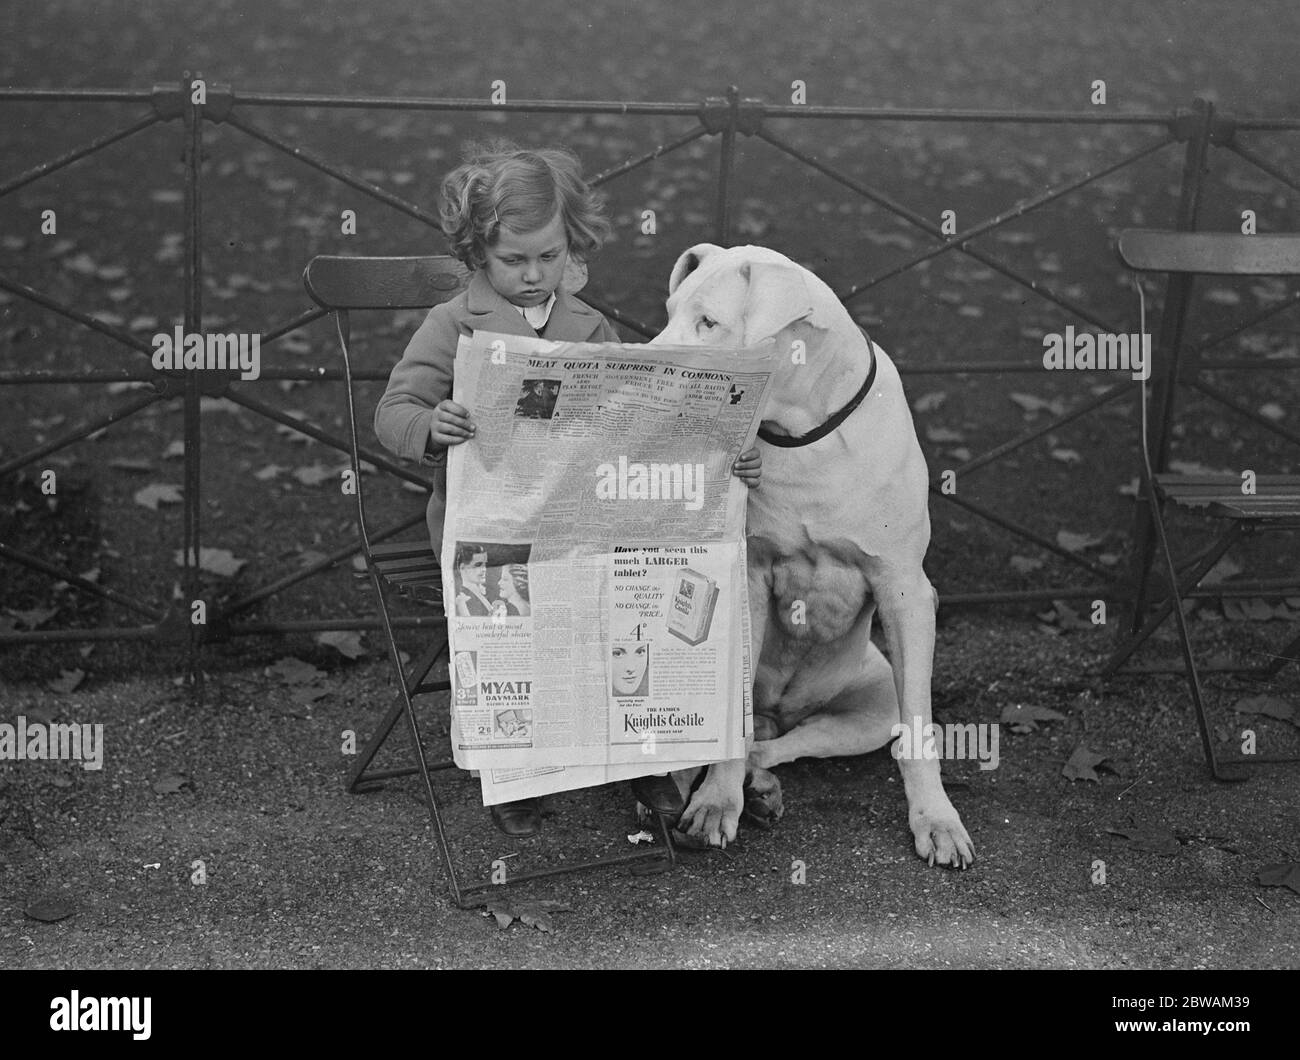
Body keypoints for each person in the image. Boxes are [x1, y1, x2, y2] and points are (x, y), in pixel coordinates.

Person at [374, 140, 763, 837]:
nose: (533, 275)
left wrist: (720, 453)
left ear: (571, 247)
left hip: (584, 523)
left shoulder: (588, 325)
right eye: (513, 260)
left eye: (548, 257)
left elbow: (638, 419)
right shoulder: (456, 323)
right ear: (477, 254)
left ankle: (642, 755)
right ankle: (516, 769)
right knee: (510, 622)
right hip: (496, 534)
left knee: (638, 603)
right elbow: (392, 413)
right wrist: (434, 424)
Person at [452, 544, 493, 617]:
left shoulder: (486, 594)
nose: (484, 569)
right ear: (463, 568)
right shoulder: (463, 599)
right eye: (478, 565)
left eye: (485, 565)